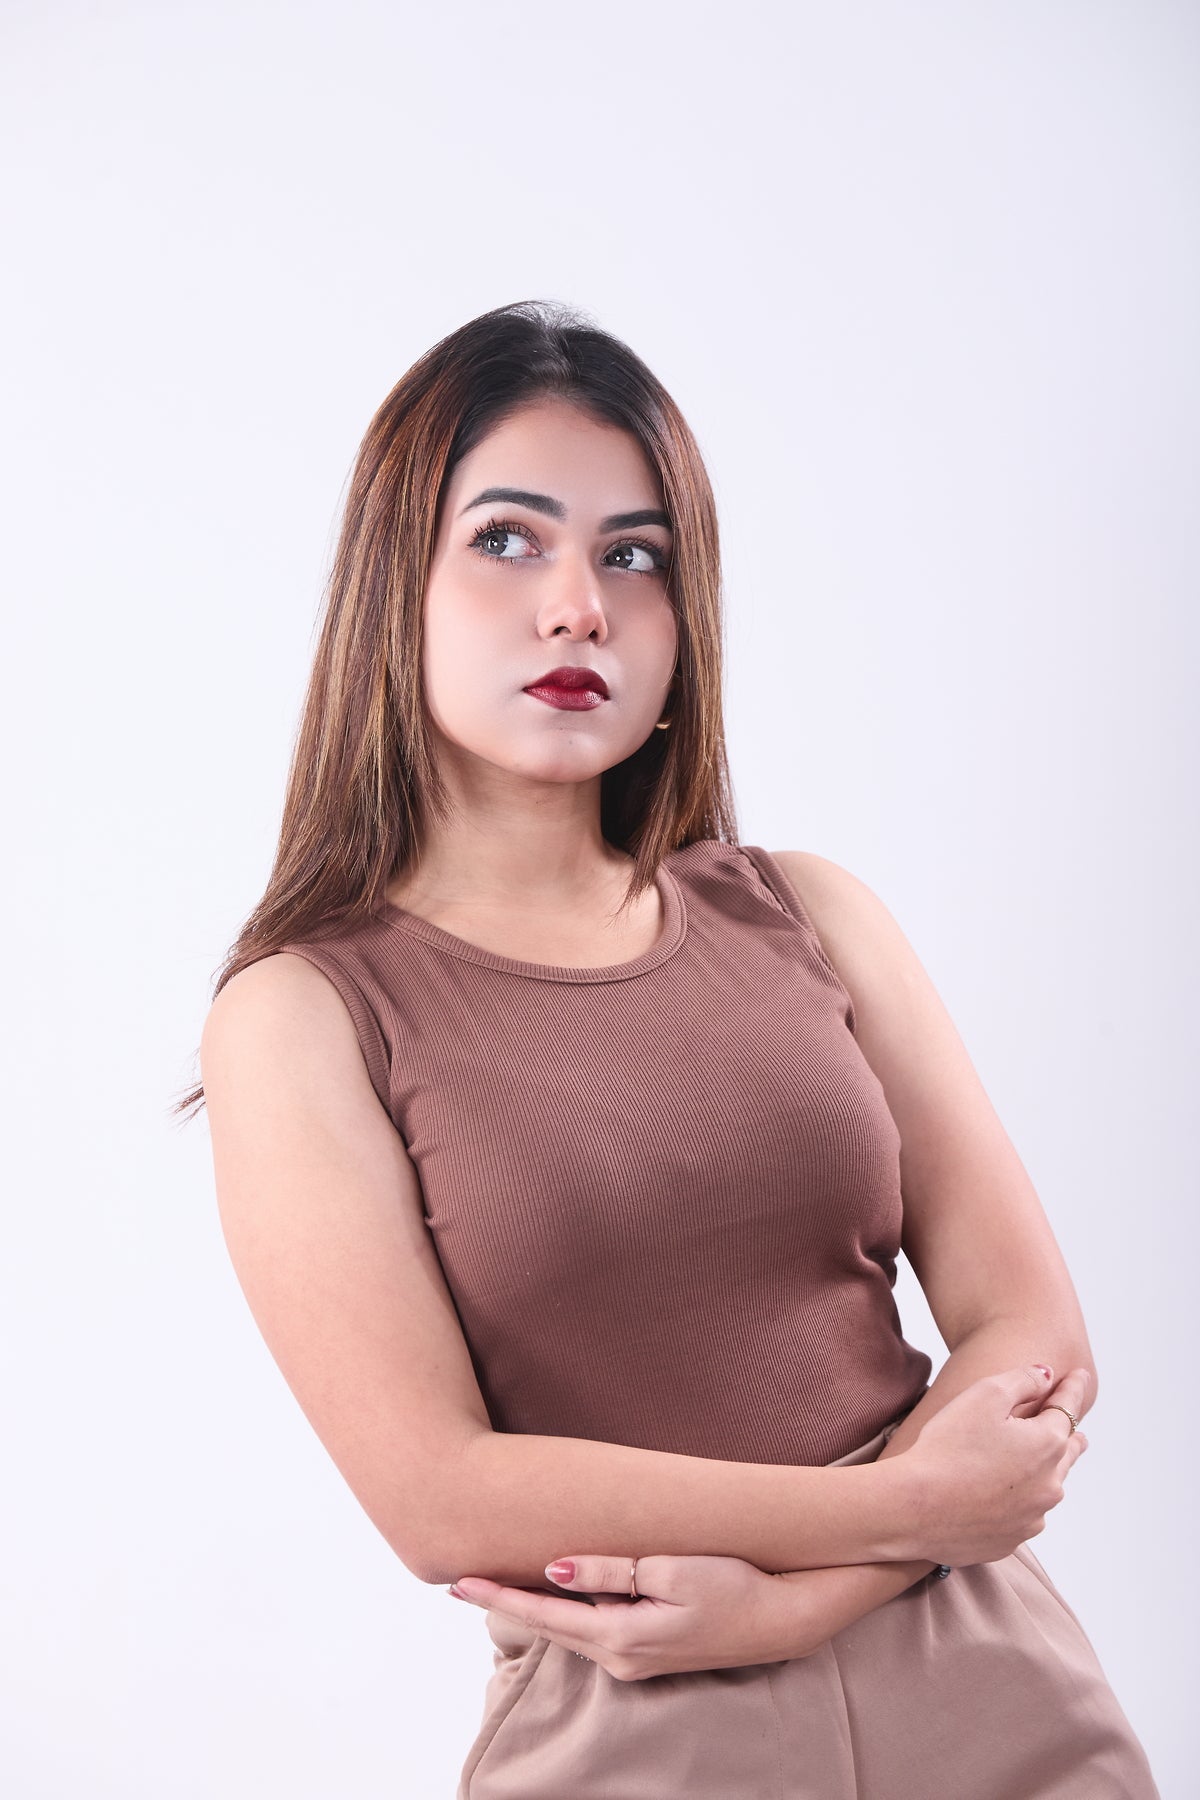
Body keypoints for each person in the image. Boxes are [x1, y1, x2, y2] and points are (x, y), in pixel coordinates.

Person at [180, 299, 1159, 1797]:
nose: (580, 606)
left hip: (997, 1684)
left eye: (633, 557)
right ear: (393, 587)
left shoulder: (810, 913)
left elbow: (1035, 1333)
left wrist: (799, 1600)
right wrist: (907, 1514)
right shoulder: (306, 1014)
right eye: (509, 539)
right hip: (640, 1721)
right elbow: (439, 1496)